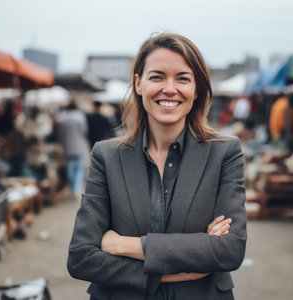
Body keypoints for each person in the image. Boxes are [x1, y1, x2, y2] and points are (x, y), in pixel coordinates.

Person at [67, 33, 247, 299]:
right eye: (157, 76)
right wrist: (184, 266)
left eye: (183, 78)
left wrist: (123, 245)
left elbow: (229, 251)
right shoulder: (106, 156)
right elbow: (81, 257)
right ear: (139, 84)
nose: (170, 88)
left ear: (197, 88)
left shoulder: (225, 152)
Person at [55, 100, 88, 200]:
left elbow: (60, 134)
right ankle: (76, 189)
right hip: (79, 145)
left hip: (67, 146)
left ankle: (73, 186)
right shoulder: (80, 116)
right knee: (79, 168)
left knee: (70, 167)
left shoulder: (62, 117)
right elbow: (84, 131)